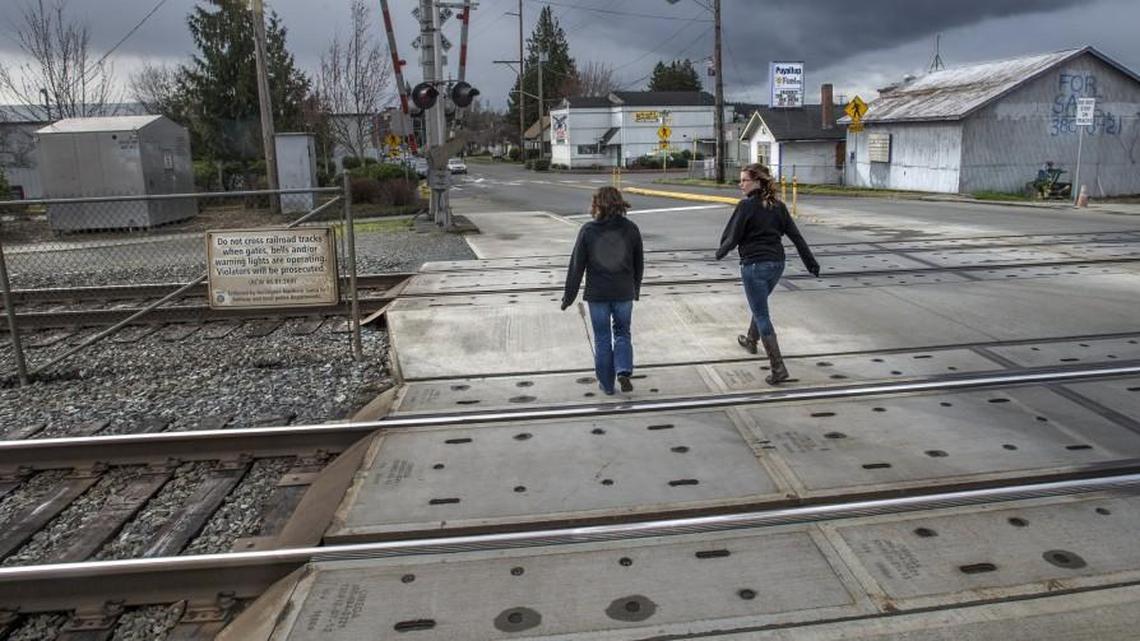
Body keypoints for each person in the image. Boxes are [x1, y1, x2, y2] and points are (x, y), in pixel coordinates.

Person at [716, 164, 820, 384]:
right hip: (777, 265)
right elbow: (796, 237)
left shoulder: (746, 206)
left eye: (744, 180)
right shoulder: (778, 207)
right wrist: (810, 263)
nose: (740, 184)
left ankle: (778, 368)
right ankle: (751, 340)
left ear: (757, 182)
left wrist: (720, 252)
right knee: (759, 303)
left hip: (754, 266)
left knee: (761, 314)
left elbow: (732, 236)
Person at [561, 187, 644, 395]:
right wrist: (635, 289)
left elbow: (576, 267)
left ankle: (607, 386)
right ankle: (623, 369)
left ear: (598, 205)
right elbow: (639, 263)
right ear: (619, 203)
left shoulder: (588, 230)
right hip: (623, 291)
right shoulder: (631, 228)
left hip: (597, 295)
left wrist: (568, 297)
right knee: (623, 332)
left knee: (602, 338)